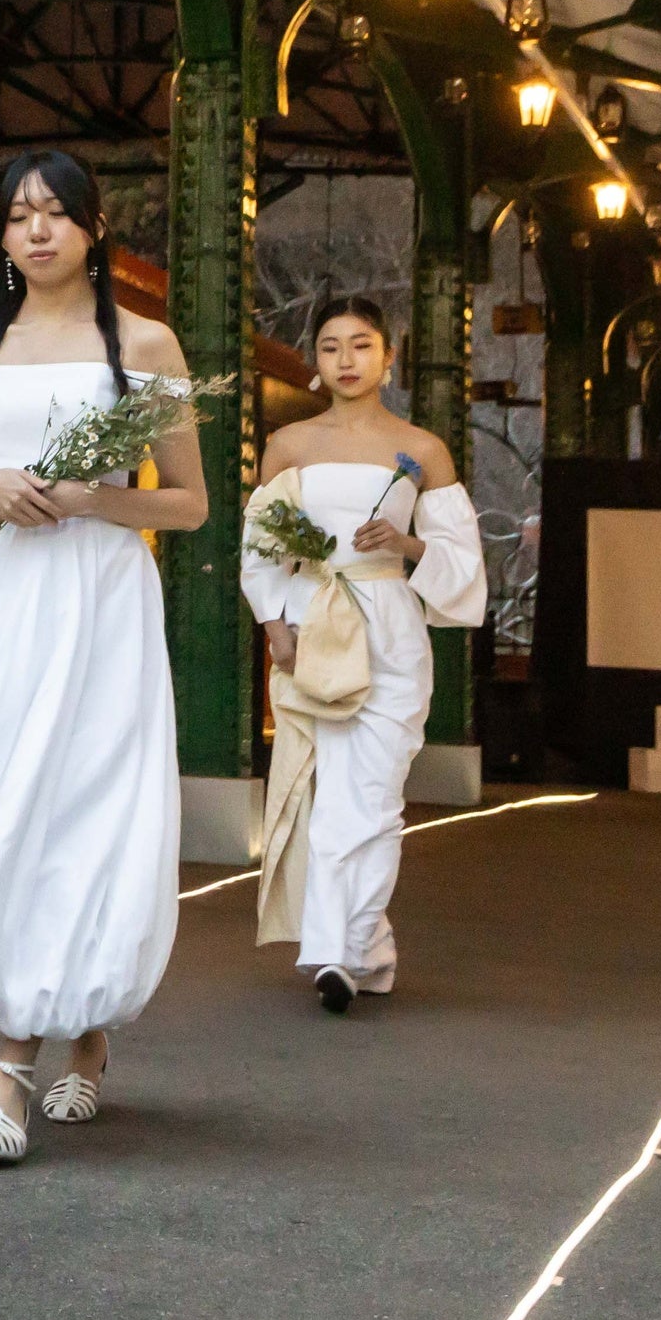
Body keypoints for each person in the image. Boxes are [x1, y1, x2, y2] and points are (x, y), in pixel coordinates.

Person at [0, 150, 209, 1164]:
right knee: (2, 802)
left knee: (80, 807)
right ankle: (80, 1031)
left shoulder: (146, 342)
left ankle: (12, 1070)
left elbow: (188, 504)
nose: (36, 231)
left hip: (101, 599)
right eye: (18, 214)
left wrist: (88, 497)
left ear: (94, 227)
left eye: (57, 213)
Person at [240, 296, 487, 1011]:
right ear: (315, 361)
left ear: (389, 356)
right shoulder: (288, 445)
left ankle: (349, 951)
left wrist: (406, 545)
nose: (346, 359)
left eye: (361, 344)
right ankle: (349, 953)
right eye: (330, 346)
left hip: (391, 631)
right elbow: (261, 548)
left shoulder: (424, 450)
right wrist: (276, 628)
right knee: (327, 796)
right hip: (315, 624)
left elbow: (462, 562)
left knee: (374, 797)